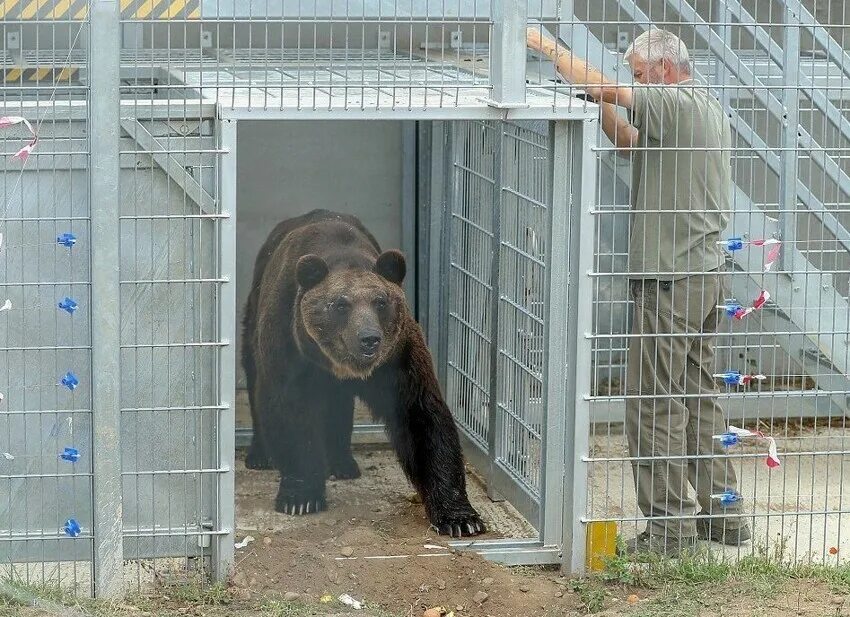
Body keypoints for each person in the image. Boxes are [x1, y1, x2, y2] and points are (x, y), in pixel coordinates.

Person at [527, 27, 751, 555]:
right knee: (697, 396)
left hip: (671, 279)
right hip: (702, 273)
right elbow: (626, 139)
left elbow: (611, 90)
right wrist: (593, 101)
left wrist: (547, 48)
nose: (632, 82)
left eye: (638, 73)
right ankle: (725, 515)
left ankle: (670, 533)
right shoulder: (698, 110)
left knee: (651, 403)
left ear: (664, 71)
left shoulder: (675, 103)